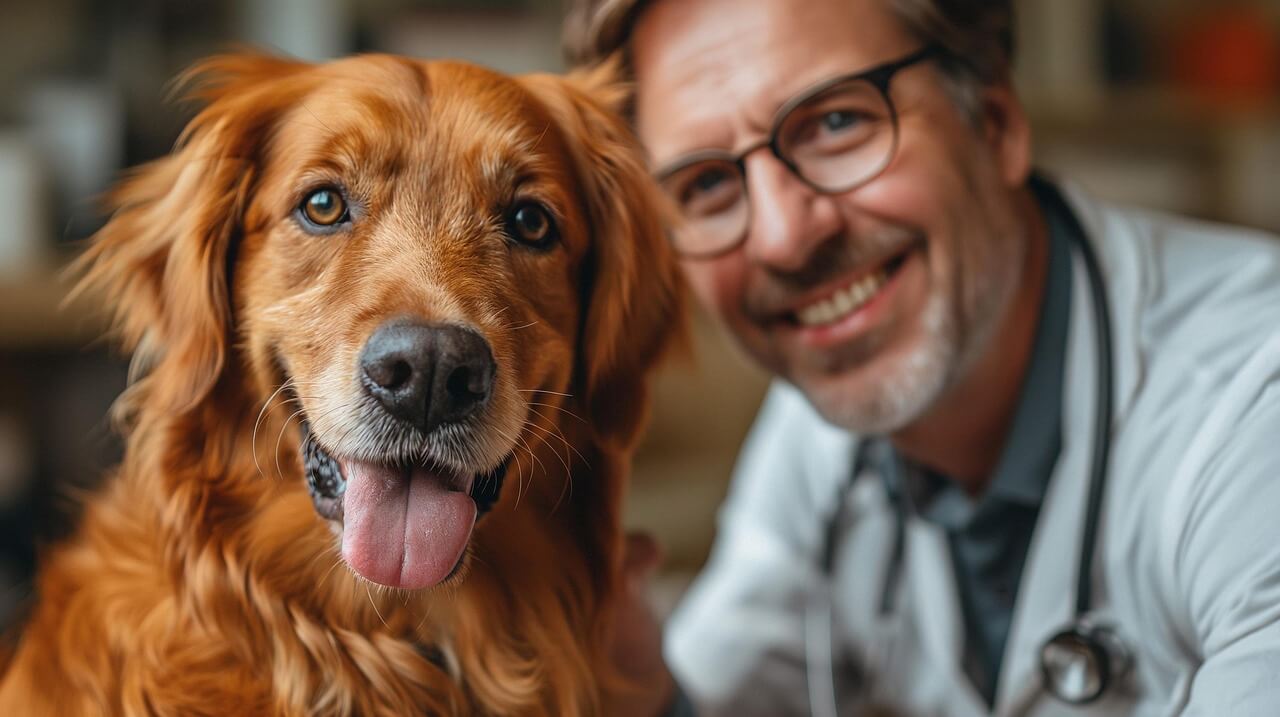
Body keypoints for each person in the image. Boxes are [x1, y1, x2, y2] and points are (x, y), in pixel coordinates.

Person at [564, 0, 1280, 715]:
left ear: (995, 120)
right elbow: (721, 693)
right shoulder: (817, 429)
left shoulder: (1253, 405)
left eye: (837, 122)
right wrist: (635, 681)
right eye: (708, 185)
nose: (783, 237)